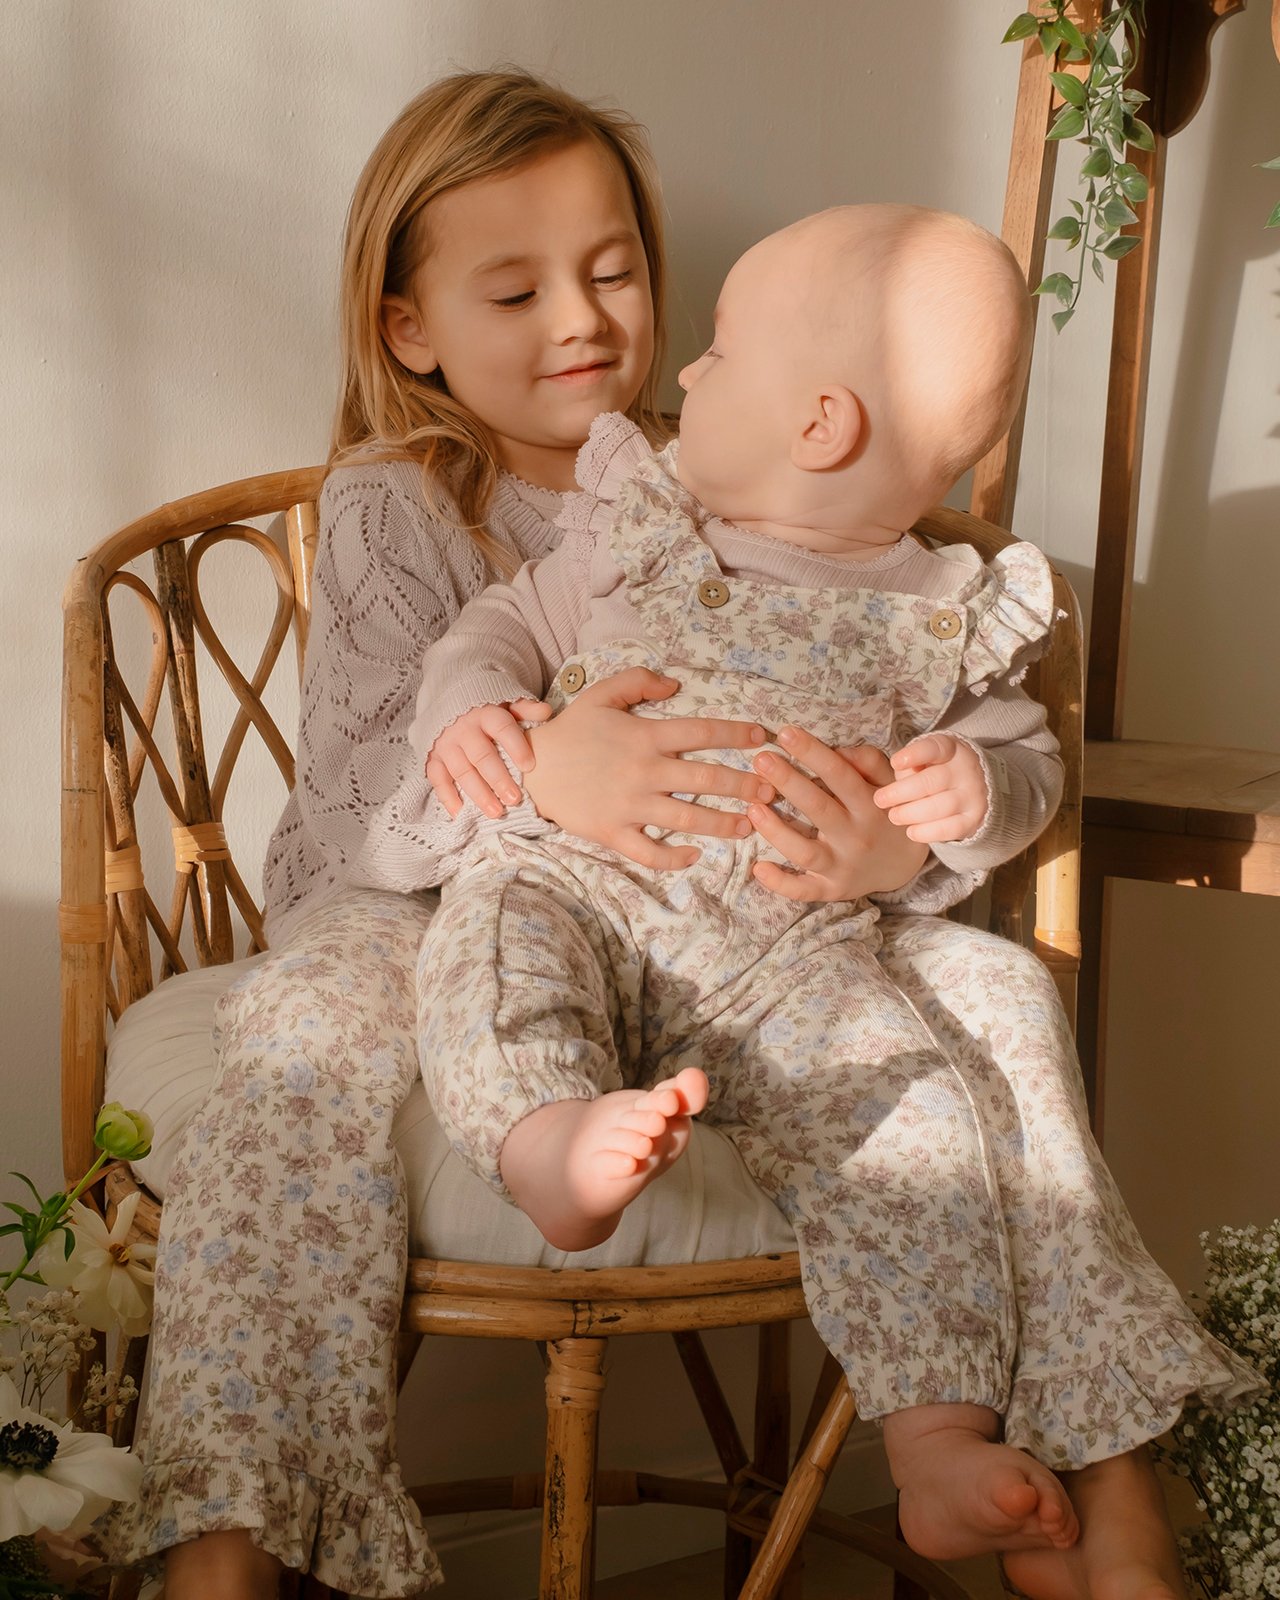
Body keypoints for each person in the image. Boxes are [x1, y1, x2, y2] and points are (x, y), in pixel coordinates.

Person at [98, 71, 1249, 1600]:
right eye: (513, 288)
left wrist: (905, 851)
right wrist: (536, 771)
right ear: (409, 328)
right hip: (451, 914)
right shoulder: (408, 497)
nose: (583, 319)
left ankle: (1098, 1470)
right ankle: (230, 1537)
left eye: (618, 271)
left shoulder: (750, 464)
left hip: (761, 943)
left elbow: (956, 735)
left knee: (1002, 1005)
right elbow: (342, 826)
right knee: (300, 1037)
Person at [408, 206, 1259, 1600]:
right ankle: (543, 1133)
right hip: (587, 886)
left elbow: (1030, 762)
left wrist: (967, 799)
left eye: (722, 353)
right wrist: (473, 710)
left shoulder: (942, 609)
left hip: (797, 959)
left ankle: (932, 1441)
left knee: (913, 1122)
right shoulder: (646, 533)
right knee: (497, 943)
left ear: (819, 422)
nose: (685, 376)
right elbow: (495, 629)